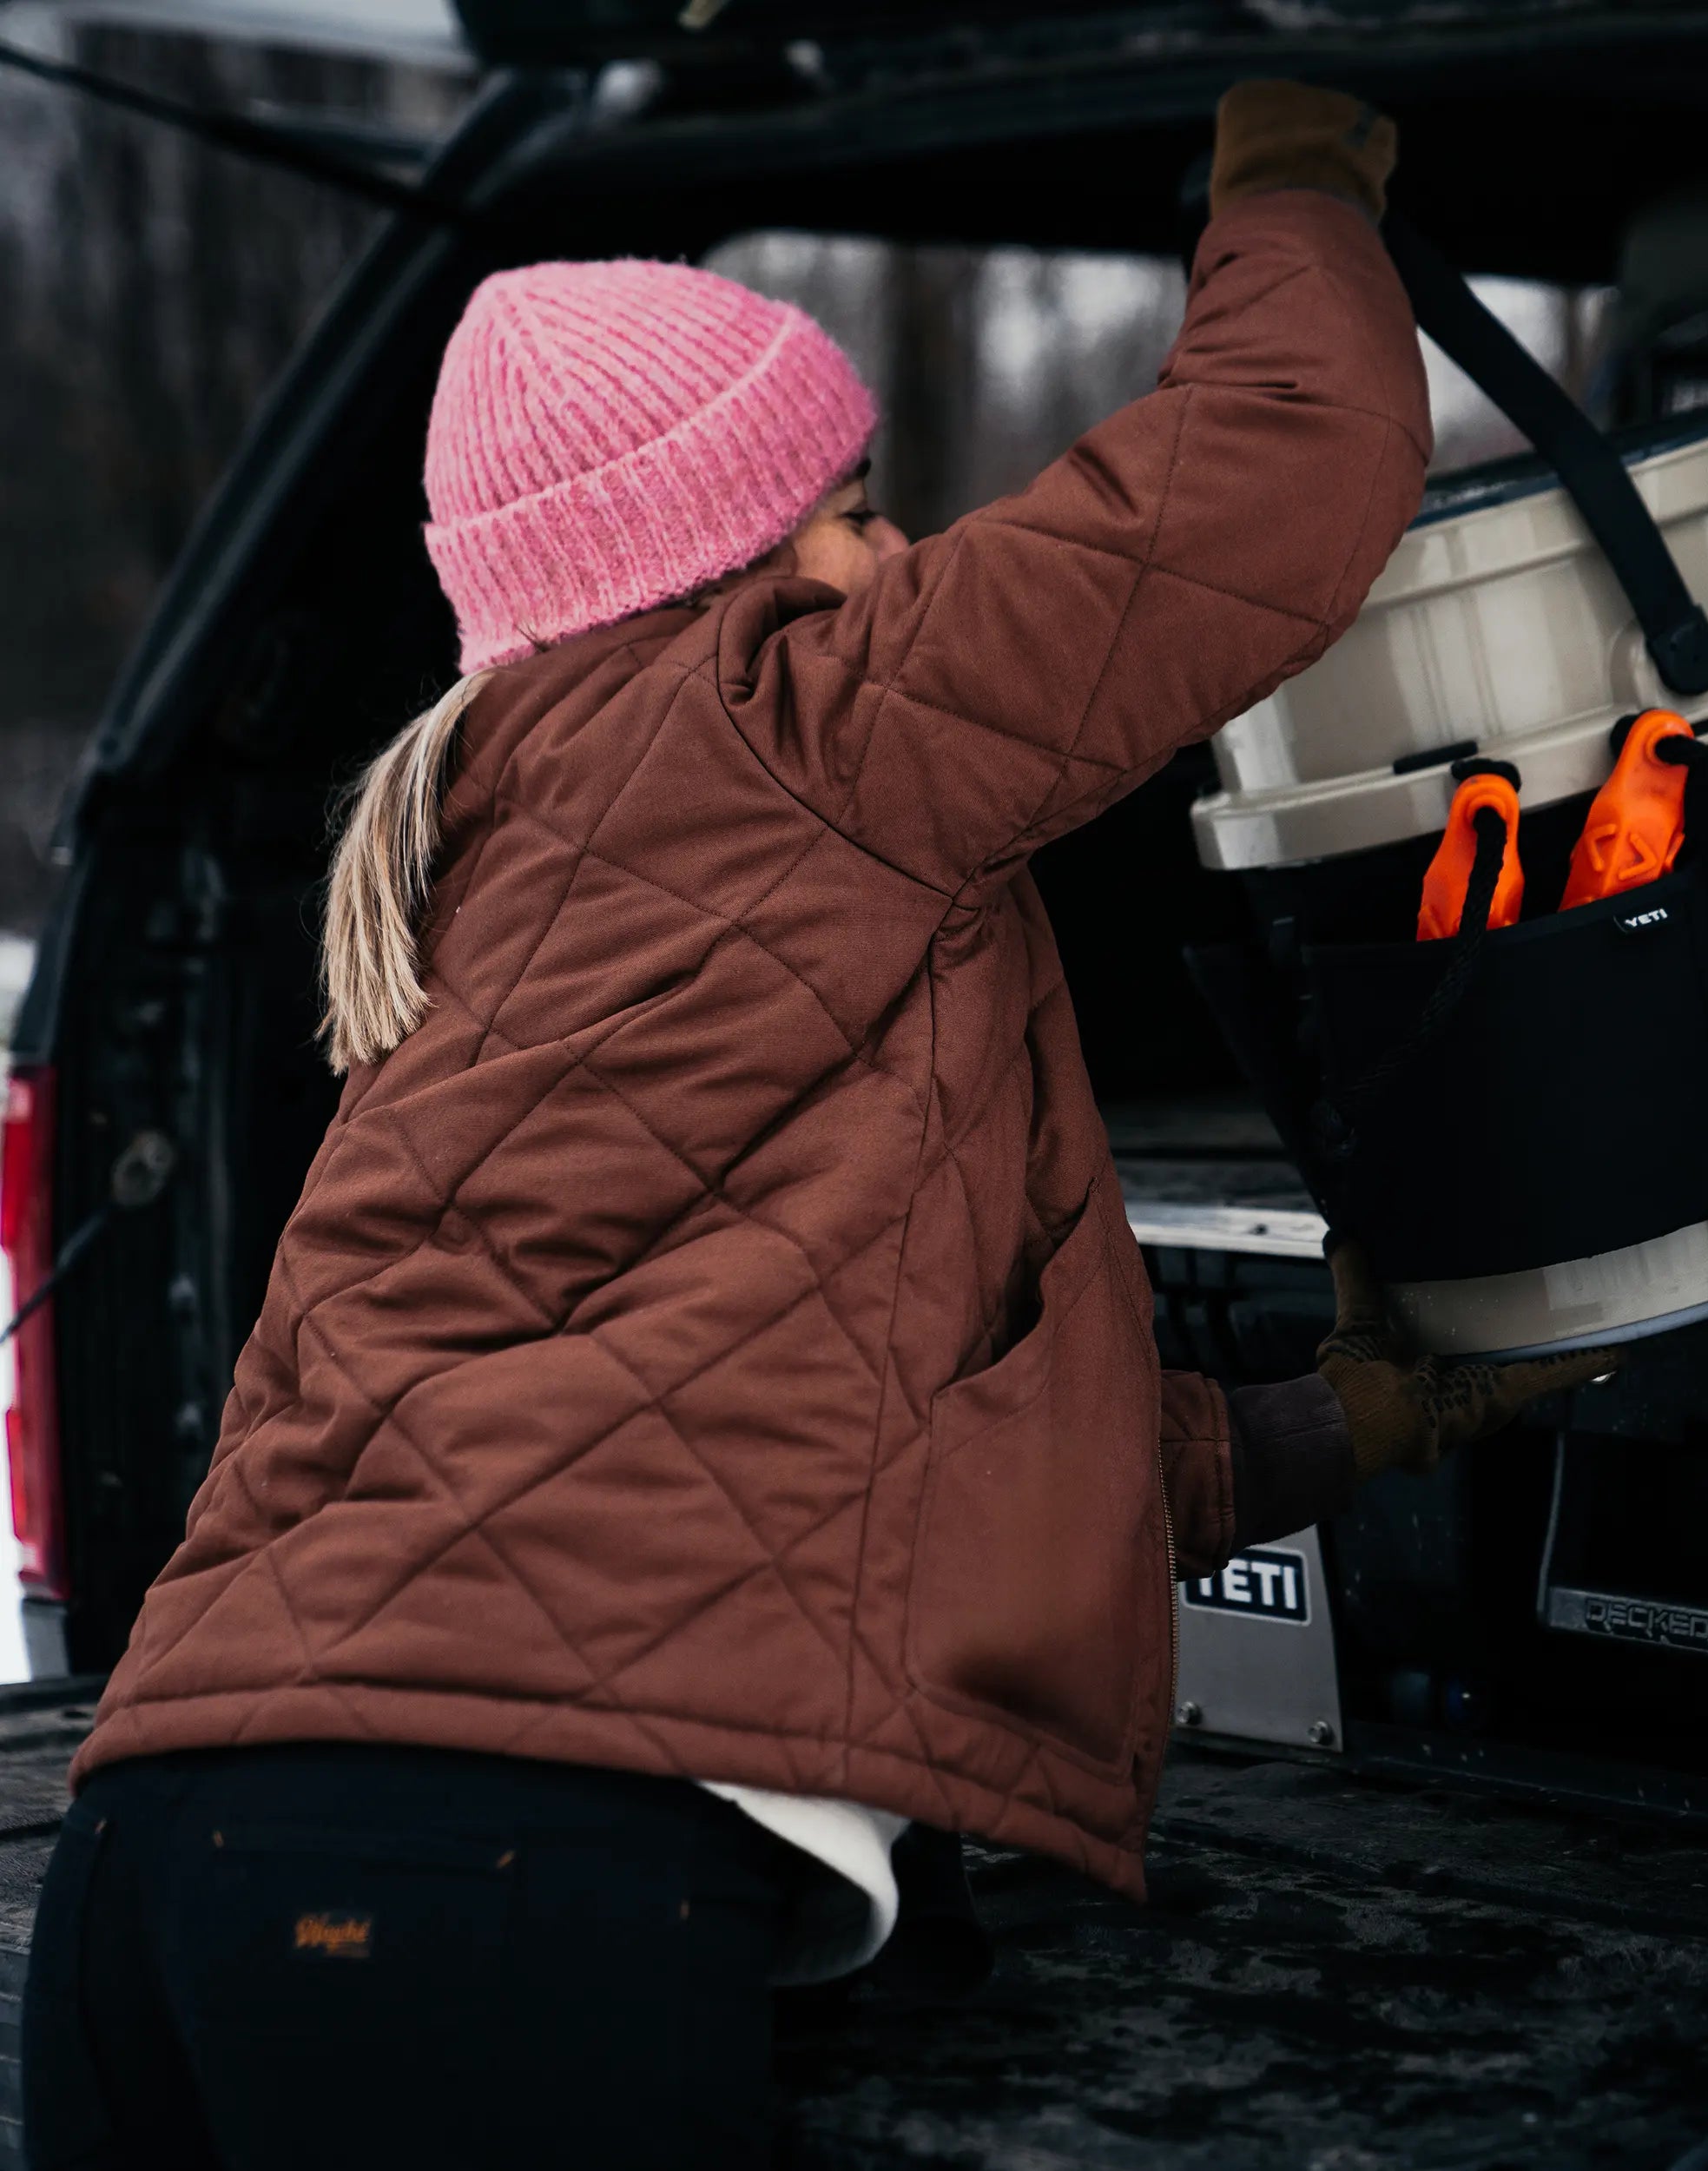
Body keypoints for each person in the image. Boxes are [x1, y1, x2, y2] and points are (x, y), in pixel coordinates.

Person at [23, 81, 1612, 2169]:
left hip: (154, 1867)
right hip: (479, 1874)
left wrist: (1349, 1428)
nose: (898, 550)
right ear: (711, 558)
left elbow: (809, 1453)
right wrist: (1292, 182)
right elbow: (1274, 479)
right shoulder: (805, 728)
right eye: (856, 503)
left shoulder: (497, 863)